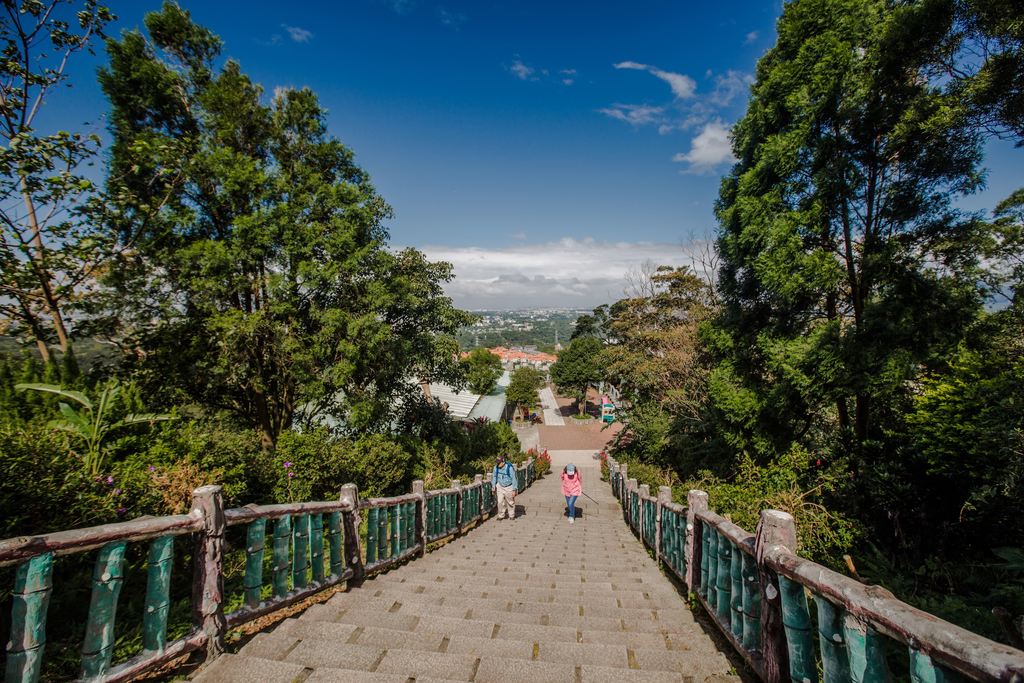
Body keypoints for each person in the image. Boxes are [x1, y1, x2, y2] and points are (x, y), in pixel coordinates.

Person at [492, 454, 518, 520]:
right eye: (497, 462)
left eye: (499, 462)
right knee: (500, 501)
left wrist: (514, 489)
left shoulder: (509, 468)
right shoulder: (496, 467)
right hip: (500, 486)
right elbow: (494, 476)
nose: (497, 464)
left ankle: (511, 515)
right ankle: (501, 515)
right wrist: (493, 486)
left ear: (503, 462)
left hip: (509, 486)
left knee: (510, 502)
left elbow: (514, 478)